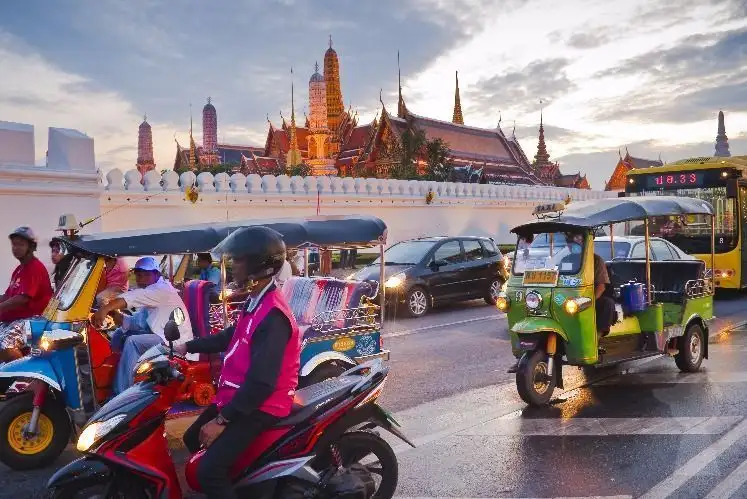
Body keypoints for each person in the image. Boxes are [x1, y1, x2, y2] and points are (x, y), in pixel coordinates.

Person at [177, 226, 301, 499]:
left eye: (239, 259)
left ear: (259, 265)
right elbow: (229, 336)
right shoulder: (256, 300)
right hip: (239, 396)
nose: (232, 265)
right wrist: (187, 346)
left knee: (210, 472)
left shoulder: (273, 316)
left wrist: (221, 421)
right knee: (191, 438)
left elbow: (262, 383)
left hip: (262, 404)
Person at [92, 257, 193, 394]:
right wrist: (114, 314)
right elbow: (135, 322)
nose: (141, 278)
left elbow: (134, 297)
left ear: (157, 275)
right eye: (139, 274)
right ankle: (110, 375)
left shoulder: (160, 290)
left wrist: (104, 309)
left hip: (173, 341)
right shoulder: (150, 294)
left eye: (147, 274)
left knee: (133, 342)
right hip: (160, 335)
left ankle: (121, 393)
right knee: (120, 334)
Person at [0, 227, 53, 362]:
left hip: (33, 319)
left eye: (21, 244)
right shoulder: (19, 269)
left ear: (31, 247)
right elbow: (8, 296)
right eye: (14, 244)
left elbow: (22, 299)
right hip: (16, 319)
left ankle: (25, 377)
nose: (16, 248)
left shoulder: (34, 268)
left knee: (6, 346)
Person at [563, 231, 615, 337]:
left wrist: (590, 302)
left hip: (589, 297)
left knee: (607, 304)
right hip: (570, 298)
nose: (571, 246)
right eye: (569, 243)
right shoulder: (566, 260)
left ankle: (597, 336)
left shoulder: (596, 260)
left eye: (574, 243)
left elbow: (601, 286)